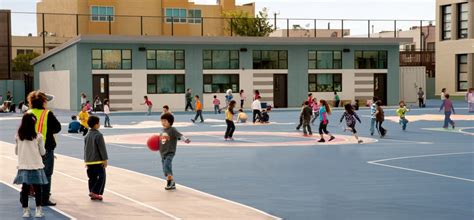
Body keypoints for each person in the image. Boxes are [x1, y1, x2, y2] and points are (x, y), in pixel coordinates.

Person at [26, 91, 61, 206]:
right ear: (44, 102)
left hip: (30, 148)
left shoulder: (28, 113)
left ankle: (30, 193)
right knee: (46, 173)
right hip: (46, 147)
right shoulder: (47, 114)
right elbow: (57, 128)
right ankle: (44, 198)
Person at [13, 113, 48, 218]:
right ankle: (38, 210)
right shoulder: (38, 136)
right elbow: (42, 152)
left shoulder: (18, 136)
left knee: (25, 189)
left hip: (24, 166)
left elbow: (16, 152)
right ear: (34, 123)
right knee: (38, 189)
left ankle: (26, 210)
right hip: (36, 166)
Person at [159, 113, 191, 190]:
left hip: (170, 152)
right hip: (162, 153)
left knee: (167, 166)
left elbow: (180, 135)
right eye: (162, 121)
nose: (163, 123)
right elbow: (161, 140)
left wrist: (185, 139)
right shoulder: (162, 130)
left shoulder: (172, 129)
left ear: (170, 122)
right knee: (165, 170)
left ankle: (170, 182)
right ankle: (171, 182)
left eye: (165, 121)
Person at [84, 116, 108, 201]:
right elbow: (102, 148)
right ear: (96, 124)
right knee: (101, 177)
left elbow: (85, 149)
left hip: (89, 161)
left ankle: (92, 191)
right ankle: (96, 192)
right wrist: (105, 159)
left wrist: (86, 161)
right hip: (98, 161)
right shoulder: (98, 135)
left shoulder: (87, 135)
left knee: (92, 178)